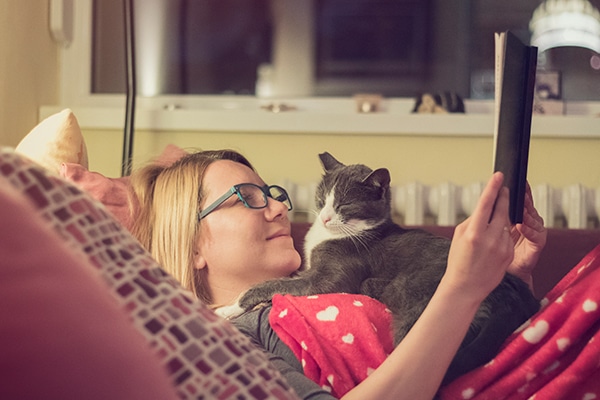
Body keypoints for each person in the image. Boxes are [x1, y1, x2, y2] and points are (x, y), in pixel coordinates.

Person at [130, 149, 547, 400]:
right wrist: (461, 292)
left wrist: (508, 281)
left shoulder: (331, 280)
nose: (279, 208)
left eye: (274, 194)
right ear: (194, 244)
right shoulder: (227, 343)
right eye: (247, 198)